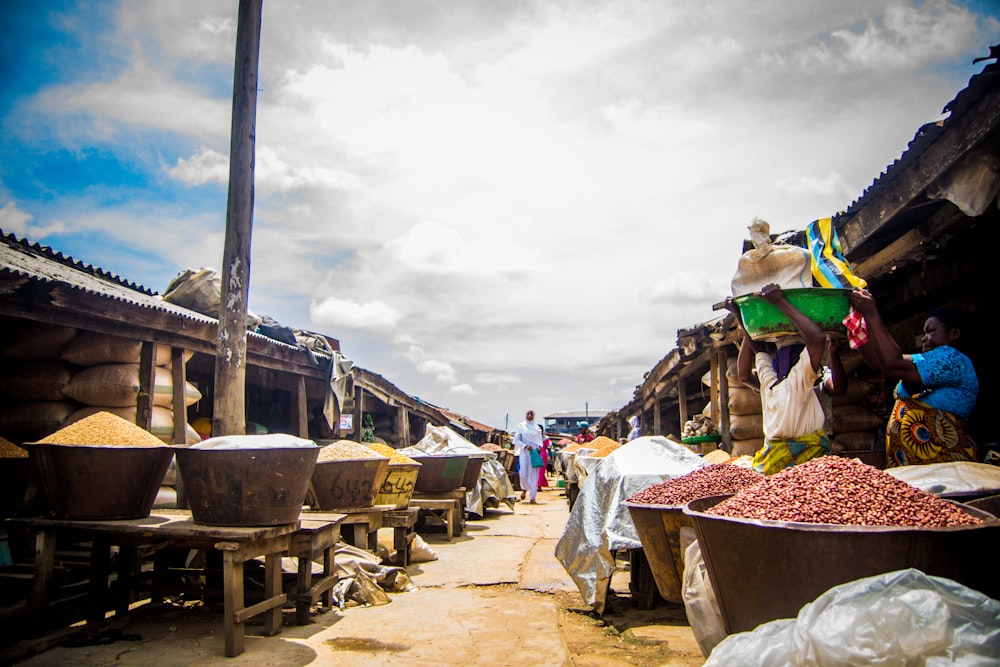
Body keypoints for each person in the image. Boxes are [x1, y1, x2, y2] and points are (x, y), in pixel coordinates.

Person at [725, 283, 848, 475]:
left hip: (798, 463)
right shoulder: (774, 382)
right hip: (777, 460)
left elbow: (814, 342)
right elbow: (755, 355)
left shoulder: (795, 380)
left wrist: (775, 303)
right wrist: (741, 316)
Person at [848, 288, 979, 466]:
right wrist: (858, 332)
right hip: (918, 470)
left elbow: (893, 363)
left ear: (954, 334)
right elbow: (883, 366)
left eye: (931, 331)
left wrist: (872, 314)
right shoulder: (925, 367)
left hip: (946, 467)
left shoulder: (954, 359)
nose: (925, 338)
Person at [512, 409, 544, 503]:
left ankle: (532, 497)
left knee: (534, 475)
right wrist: (525, 446)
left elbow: (540, 441)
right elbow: (517, 440)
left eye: (531, 414)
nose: (529, 416)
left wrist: (539, 447)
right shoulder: (521, 426)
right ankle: (524, 489)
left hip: (534, 454)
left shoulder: (537, 428)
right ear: (526, 415)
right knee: (523, 474)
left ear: (534, 415)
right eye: (528, 414)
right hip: (524, 453)